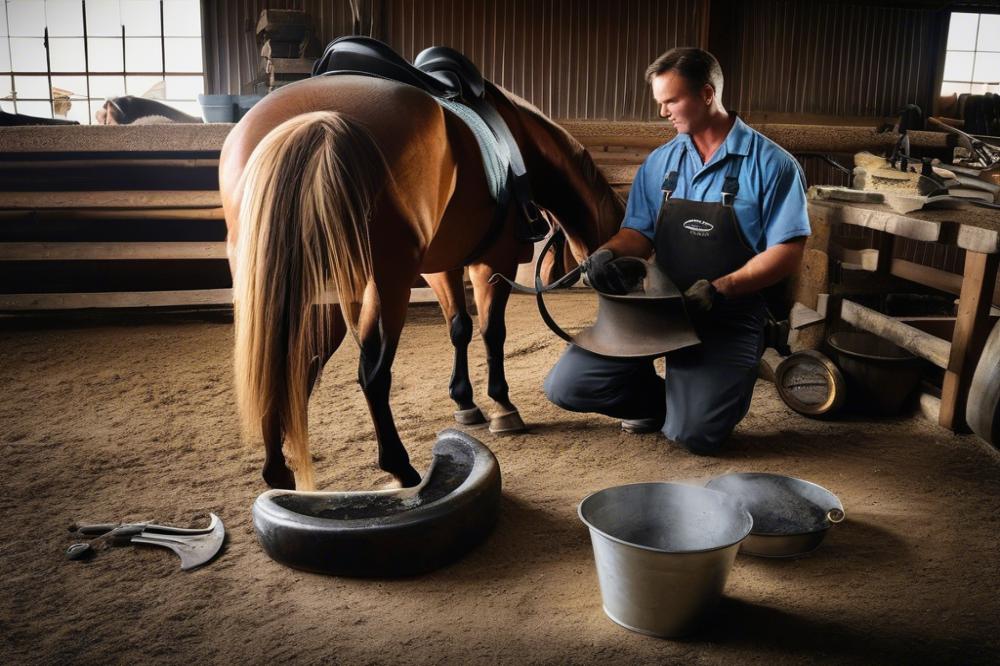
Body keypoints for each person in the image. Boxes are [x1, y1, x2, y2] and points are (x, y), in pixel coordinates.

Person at [544, 47, 810, 454]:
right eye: (660, 103)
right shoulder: (660, 163)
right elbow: (638, 232)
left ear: (707, 94)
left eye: (671, 101)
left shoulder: (773, 165)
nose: (663, 112)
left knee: (695, 436)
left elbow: (787, 252)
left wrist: (721, 289)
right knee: (569, 386)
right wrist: (608, 253)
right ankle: (663, 404)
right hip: (659, 306)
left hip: (728, 312)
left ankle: (699, 403)